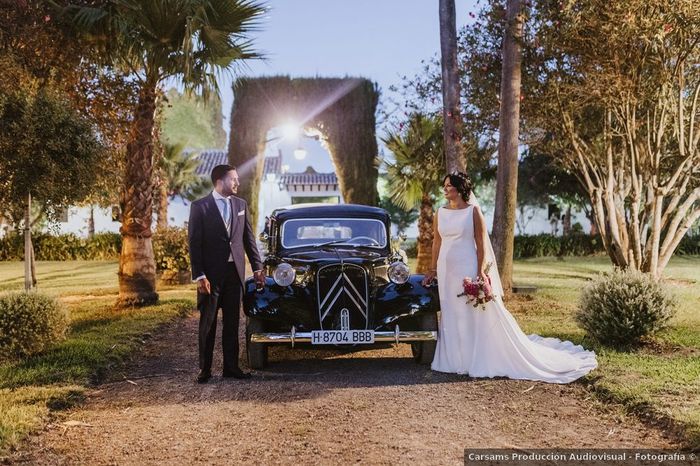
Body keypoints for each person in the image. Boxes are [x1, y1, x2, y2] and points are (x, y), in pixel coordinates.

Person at [421, 172, 597, 383]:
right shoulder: (440, 212)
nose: (445, 189)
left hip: (466, 266)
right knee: (451, 312)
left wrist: (480, 273)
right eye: (445, 185)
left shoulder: (473, 212)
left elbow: (481, 244)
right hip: (446, 269)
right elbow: (437, 242)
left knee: (472, 312)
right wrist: (432, 269)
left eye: (449, 185)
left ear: (460, 189)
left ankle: (474, 358)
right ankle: (453, 360)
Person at [188, 164, 265, 383]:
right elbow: (194, 243)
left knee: (232, 323)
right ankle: (205, 370)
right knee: (208, 323)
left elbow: (248, 240)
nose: (237, 183)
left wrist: (257, 267)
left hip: (234, 275)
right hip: (210, 278)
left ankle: (231, 368)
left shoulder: (240, 204)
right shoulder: (200, 207)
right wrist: (199, 275)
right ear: (220, 181)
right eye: (233, 179)